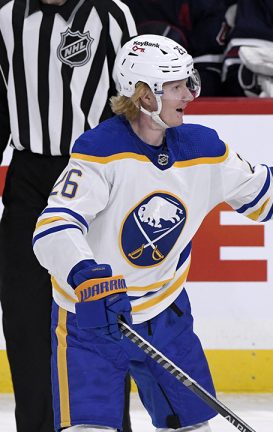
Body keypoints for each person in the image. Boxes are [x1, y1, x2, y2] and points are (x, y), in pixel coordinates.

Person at [30, 34, 273, 431]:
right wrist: (84, 276)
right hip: (92, 318)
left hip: (164, 313)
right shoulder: (99, 152)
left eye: (189, 82)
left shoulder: (202, 147)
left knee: (194, 427)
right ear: (144, 95)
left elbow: (264, 194)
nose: (189, 93)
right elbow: (54, 226)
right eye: (175, 86)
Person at [0, 1, 136, 431]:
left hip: (95, 179)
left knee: (101, 316)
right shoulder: (5, 15)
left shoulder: (114, 16)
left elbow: (133, 105)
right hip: (29, 182)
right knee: (25, 321)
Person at [121, 0, 238, 96]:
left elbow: (207, 72)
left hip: (186, 96)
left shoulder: (201, 6)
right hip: (127, 90)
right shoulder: (116, 6)